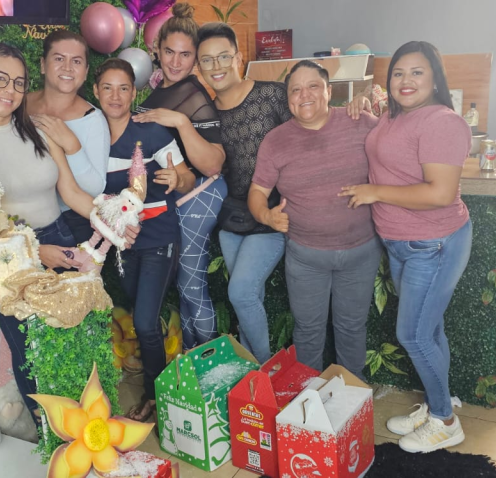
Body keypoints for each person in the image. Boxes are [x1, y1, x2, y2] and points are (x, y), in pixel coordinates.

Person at [0, 43, 128, 427]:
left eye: (19, 83)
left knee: (81, 346)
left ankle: (91, 436)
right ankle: (52, 437)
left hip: (61, 240)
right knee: (36, 357)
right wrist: (37, 252)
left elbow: (71, 192)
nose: (10, 90)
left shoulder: (38, 130)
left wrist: (114, 219)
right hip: (13, 259)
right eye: (0, 79)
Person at [341, 41, 473, 453]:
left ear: (435, 78)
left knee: (413, 334)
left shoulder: (442, 122)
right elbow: (387, 136)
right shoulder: (396, 114)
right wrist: (365, 100)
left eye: (417, 72)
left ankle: (445, 422)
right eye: (398, 73)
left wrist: (374, 192)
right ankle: (437, 404)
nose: (406, 80)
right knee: (429, 330)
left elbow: (440, 193)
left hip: (433, 244)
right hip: (402, 243)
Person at [250, 60, 381, 378]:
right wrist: (266, 215)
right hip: (306, 257)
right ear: (288, 100)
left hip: (361, 252)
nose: (304, 95)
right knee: (308, 331)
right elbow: (257, 191)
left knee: (352, 327)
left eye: (313, 86)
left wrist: (370, 101)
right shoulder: (276, 141)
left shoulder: (361, 122)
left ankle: (352, 395)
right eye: (295, 90)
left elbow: (401, 144)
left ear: (329, 91)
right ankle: (308, 399)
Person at [94, 58, 197, 422]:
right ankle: (166, 375)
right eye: (108, 88)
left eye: (124, 88)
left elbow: (187, 177)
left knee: (144, 321)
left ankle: (155, 397)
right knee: (140, 313)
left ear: (134, 93)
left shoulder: (151, 133)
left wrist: (177, 179)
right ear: (96, 92)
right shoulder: (91, 137)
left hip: (158, 238)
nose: (115, 96)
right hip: (123, 246)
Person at [133, 3, 227, 351]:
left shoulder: (192, 95)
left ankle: (213, 361)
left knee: (191, 284)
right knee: (184, 286)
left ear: (195, 58)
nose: (175, 61)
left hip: (199, 193)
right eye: (169, 51)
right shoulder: (162, 89)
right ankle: (191, 358)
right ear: (157, 50)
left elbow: (213, 164)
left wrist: (181, 122)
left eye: (185, 54)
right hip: (175, 197)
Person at [196, 22, 291, 364]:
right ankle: (253, 380)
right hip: (231, 219)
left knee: (240, 292)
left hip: (272, 216)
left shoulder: (273, 95)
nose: (216, 66)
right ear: (199, 67)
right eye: (207, 60)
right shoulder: (205, 114)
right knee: (250, 297)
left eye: (223, 56)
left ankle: (263, 370)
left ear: (238, 58)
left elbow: (310, 133)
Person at [27, 30, 112, 268]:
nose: (67, 67)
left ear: (85, 72)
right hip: (21, 221)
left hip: (71, 223)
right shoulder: (19, 104)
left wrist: (72, 145)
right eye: (59, 58)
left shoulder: (93, 120)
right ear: (43, 65)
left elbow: (95, 188)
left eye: (76, 61)